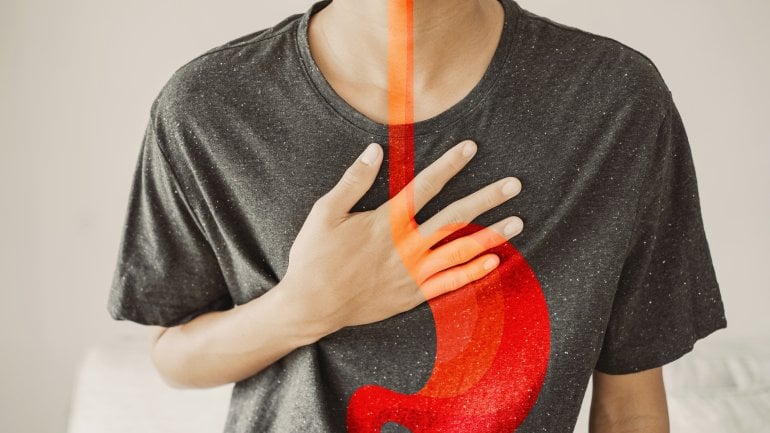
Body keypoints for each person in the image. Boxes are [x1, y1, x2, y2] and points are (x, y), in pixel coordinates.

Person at [107, 0, 728, 431]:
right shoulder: (208, 108)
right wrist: (303, 308)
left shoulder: (617, 102)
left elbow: (630, 405)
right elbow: (172, 353)